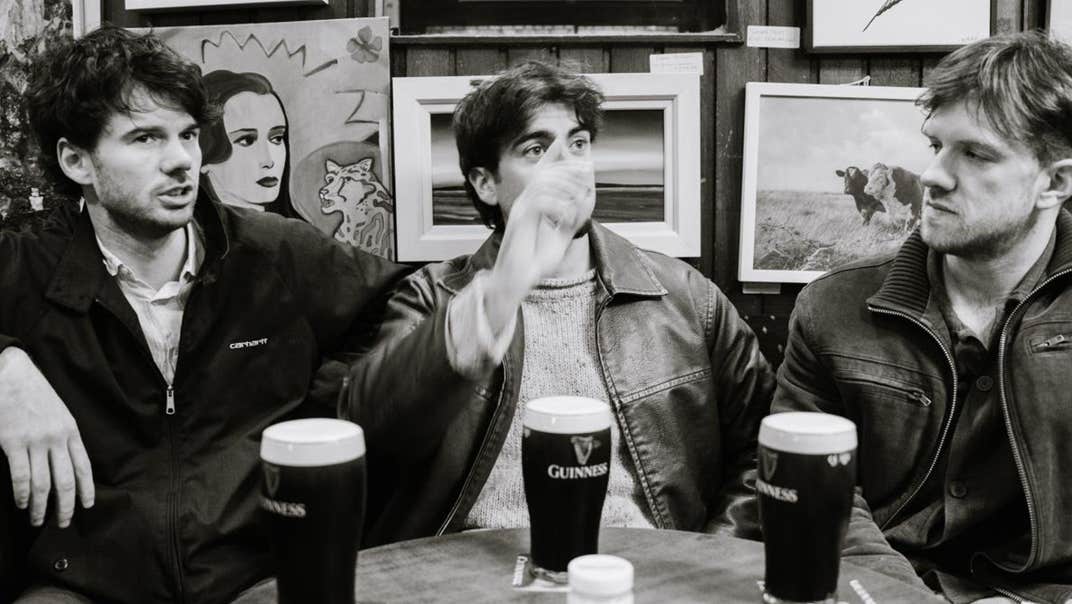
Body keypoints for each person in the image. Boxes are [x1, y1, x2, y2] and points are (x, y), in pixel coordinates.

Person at [0, 26, 406, 603]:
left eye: (188, 135)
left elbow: (404, 309)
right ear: (76, 160)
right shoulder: (26, 267)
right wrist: (6, 368)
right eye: (145, 138)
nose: (181, 161)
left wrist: (324, 404)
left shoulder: (275, 252)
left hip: (259, 581)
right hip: (82, 586)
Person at [345, 61, 774, 546]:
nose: (567, 165)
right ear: (486, 183)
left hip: (643, 572)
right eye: (535, 149)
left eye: (577, 143)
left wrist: (705, 559)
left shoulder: (685, 296)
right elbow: (369, 434)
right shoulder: (431, 294)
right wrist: (505, 285)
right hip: (468, 574)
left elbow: (764, 450)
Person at [772, 31, 1072, 603]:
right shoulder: (834, 306)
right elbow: (811, 486)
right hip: (876, 589)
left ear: (1054, 183)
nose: (933, 175)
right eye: (935, 145)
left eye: (976, 153)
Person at [199, 70, 293, 216]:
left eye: (277, 138)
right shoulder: (189, 235)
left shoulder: (299, 235)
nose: (268, 161)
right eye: (246, 140)